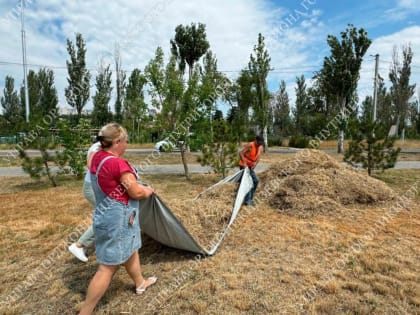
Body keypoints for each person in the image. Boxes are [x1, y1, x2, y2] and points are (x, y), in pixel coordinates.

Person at [79, 123, 157, 315]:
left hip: (105, 213)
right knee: (108, 267)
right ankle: (85, 312)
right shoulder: (117, 164)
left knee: (131, 249)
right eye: (126, 140)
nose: (127, 144)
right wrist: (147, 190)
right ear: (117, 142)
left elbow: (92, 165)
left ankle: (140, 283)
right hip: (118, 219)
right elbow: (136, 192)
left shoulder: (96, 157)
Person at [68, 140, 101, 262]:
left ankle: (96, 244)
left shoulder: (101, 146)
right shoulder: (98, 146)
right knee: (105, 215)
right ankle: (79, 245)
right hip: (92, 187)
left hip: (94, 186)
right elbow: (91, 164)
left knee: (103, 215)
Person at [239, 135, 264, 206]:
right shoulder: (250, 145)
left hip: (250, 167)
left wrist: (255, 164)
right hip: (244, 166)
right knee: (249, 181)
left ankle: (250, 198)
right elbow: (241, 153)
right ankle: (247, 201)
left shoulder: (260, 147)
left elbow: (258, 158)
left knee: (256, 180)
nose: (260, 144)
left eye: (261, 143)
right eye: (259, 143)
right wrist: (244, 163)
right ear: (256, 140)